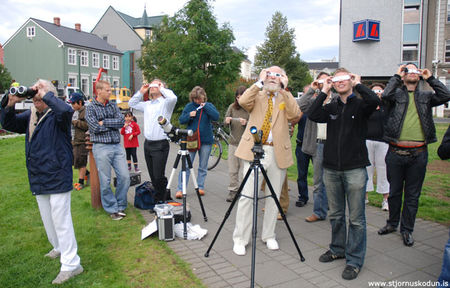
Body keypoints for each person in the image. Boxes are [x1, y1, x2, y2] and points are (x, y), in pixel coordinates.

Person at [0, 79, 83, 284]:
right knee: (48, 218)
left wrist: (45, 93)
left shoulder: (58, 115)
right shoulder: (31, 115)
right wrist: (10, 103)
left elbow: (65, 111)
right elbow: (8, 123)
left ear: (50, 97)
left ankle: (72, 264)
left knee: (61, 219)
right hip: (39, 175)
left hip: (57, 174)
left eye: (40, 95)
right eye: (34, 96)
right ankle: (58, 247)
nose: (35, 98)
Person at [309, 68, 380, 280]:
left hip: (355, 169)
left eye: (344, 79)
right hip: (331, 169)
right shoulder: (331, 106)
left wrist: (358, 84)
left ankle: (355, 260)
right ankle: (337, 248)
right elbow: (313, 114)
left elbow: (374, 100)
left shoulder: (360, 105)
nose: (340, 82)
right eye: (336, 79)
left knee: (356, 218)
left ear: (350, 80)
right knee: (336, 215)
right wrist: (324, 89)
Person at [378, 63, 450, 247]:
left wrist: (430, 78)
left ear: (419, 76)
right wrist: (396, 76)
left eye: (415, 70)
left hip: (418, 154)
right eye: (407, 70)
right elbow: (385, 95)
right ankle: (392, 224)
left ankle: (407, 230)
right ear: (403, 75)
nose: (412, 73)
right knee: (394, 193)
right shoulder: (396, 95)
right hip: (395, 152)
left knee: (412, 195)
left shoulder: (426, 96)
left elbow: (446, 95)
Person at [232, 66, 301, 256]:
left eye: (278, 75)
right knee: (247, 196)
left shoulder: (284, 97)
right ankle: (240, 239)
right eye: (270, 74)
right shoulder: (257, 94)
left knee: (273, 196)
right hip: (255, 150)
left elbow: (295, 114)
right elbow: (244, 101)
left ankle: (269, 235)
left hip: (277, 151)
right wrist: (259, 82)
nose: (273, 78)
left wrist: (286, 89)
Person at [85, 80, 130, 220]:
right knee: (105, 180)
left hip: (117, 145)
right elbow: (94, 128)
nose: (110, 92)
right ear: (99, 91)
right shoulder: (91, 108)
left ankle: (121, 204)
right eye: (108, 90)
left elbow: (121, 122)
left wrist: (104, 122)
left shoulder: (112, 105)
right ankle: (112, 208)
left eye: (110, 90)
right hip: (101, 146)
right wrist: (110, 124)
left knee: (124, 176)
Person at [129, 79, 177, 202]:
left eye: (157, 85)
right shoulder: (147, 104)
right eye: (152, 85)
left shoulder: (166, 103)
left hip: (160, 144)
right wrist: (141, 92)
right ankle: (162, 196)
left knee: (158, 175)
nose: (153, 87)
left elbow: (173, 98)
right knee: (152, 175)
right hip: (148, 144)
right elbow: (132, 103)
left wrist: (161, 88)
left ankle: (160, 200)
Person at [298, 72, 332, 222]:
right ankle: (318, 212)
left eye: (327, 80)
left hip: (334, 145)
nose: (324, 83)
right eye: (321, 81)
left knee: (334, 181)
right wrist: (312, 89)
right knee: (318, 181)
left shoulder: (337, 99)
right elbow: (299, 105)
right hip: (317, 144)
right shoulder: (314, 101)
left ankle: (333, 209)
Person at [176, 86, 219, 198]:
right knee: (185, 165)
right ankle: (181, 189)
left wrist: (205, 107)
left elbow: (216, 116)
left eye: (200, 99)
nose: (198, 101)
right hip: (191, 140)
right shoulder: (189, 107)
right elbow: (181, 120)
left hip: (206, 140)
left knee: (203, 165)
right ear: (193, 98)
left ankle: (200, 187)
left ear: (204, 97)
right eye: (196, 99)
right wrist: (189, 115)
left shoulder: (209, 106)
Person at [365, 83, 389, 210]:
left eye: (379, 90)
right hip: (368, 141)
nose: (377, 93)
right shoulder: (368, 108)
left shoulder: (386, 107)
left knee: (383, 170)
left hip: (383, 142)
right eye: (374, 91)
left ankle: (385, 199)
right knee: (367, 169)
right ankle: (365, 196)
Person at [224, 86, 249, 202]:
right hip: (233, 143)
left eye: (242, 97)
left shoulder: (250, 108)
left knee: (245, 170)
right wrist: (227, 121)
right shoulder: (232, 107)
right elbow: (225, 122)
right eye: (238, 97)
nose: (240, 100)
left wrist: (247, 123)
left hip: (246, 144)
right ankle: (233, 191)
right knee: (233, 169)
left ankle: (244, 191)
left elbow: (255, 126)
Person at [294, 85, 312, 208]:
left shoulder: (317, 107)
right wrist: (300, 111)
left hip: (316, 145)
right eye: (306, 94)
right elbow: (293, 121)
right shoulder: (300, 108)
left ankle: (323, 201)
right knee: (301, 174)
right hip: (301, 144)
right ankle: (303, 196)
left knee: (321, 176)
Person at [69, 92, 90, 191]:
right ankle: (88, 174)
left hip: (82, 140)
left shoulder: (86, 111)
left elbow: (87, 125)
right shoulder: (73, 112)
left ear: (80, 102)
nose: (72, 105)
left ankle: (81, 182)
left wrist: (75, 122)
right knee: (75, 160)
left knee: (81, 161)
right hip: (74, 140)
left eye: (73, 103)